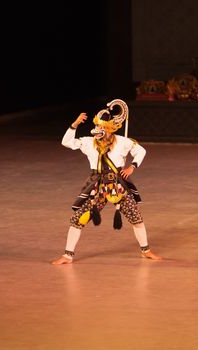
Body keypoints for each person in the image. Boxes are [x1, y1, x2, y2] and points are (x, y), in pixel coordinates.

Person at [52, 99, 162, 265]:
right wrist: (74, 124)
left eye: (102, 127)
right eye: (97, 126)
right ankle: (68, 255)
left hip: (118, 186)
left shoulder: (122, 142)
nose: (98, 130)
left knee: (136, 217)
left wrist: (132, 166)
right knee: (79, 219)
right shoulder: (88, 142)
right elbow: (67, 142)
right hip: (96, 186)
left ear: (110, 129)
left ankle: (146, 250)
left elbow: (141, 151)